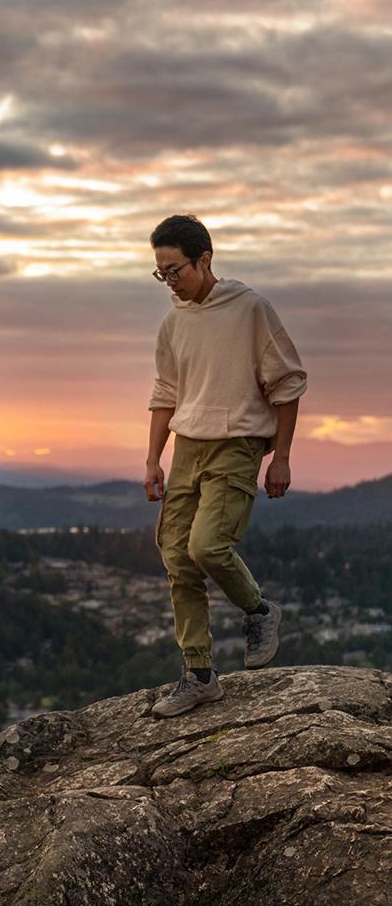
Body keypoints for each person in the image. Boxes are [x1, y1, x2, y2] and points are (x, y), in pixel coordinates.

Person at [144, 215, 307, 718]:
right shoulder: (174, 321)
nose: (169, 282)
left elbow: (288, 383)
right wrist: (153, 459)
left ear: (205, 260)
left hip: (239, 445)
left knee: (207, 546)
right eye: (161, 274)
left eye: (175, 271)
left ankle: (259, 611)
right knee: (176, 556)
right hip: (187, 446)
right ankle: (199, 674)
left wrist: (281, 456)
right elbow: (165, 394)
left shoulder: (251, 308)